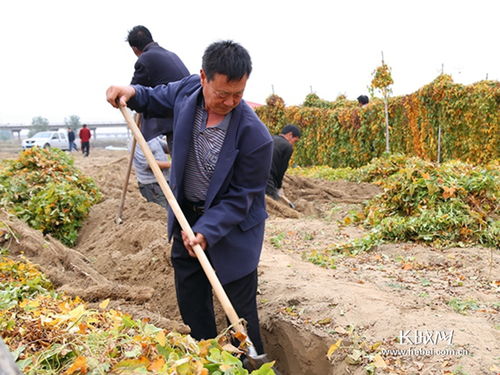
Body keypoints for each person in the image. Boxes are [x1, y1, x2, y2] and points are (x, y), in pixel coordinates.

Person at [106, 40, 273, 355]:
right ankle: (206, 357)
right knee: (192, 303)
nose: (230, 101)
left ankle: (250, 362)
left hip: (232, 228)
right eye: (222, 93)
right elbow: (156, 96)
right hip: (186, 217)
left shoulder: (255, 137)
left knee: (239, 311)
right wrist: (132, 92)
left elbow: (242, 197)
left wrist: (207, 231)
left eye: (238, 94)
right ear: (203, 78)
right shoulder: (186, 93)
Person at [127, 25, 190, 148]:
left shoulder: (145, 59)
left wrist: (127, 96)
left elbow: (133, 93)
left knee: (180, 163)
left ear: (134, 48)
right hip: (191, 115)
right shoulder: (171, 54)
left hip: (176, 120)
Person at [133, 135, 171, 209]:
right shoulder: (136, 143)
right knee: (161, 210)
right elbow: (149, 164)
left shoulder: (152, 137)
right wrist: (172, 164)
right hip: (152, 185)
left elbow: (166, 147)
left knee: (170, 208)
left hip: (165, 179)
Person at [266, 125, 301, 201]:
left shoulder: (269, 138)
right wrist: (278, 187)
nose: (293, 144)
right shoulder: (287, 147)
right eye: (295, 141)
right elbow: (281, 170)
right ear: (290, 135)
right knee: (273, 202)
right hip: (267, 178)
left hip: (252, 174)